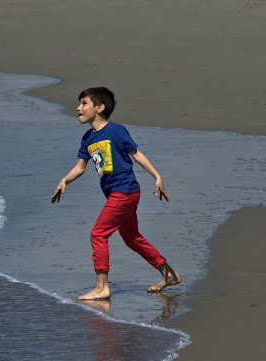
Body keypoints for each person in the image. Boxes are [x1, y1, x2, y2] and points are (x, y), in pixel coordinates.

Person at [51, 87, 181, 300]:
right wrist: (64, 180)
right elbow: (80, 167)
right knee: (131, 237)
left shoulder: (116, 131)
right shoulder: (87, 138)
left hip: (124, 191)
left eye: (84, 103)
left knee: (98, 234)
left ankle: (102, 287)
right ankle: (169, 274)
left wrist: (157, 176)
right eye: (79, 103)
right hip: (119, 193)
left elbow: (136, 155)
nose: (78, 107)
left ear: (99, 108)